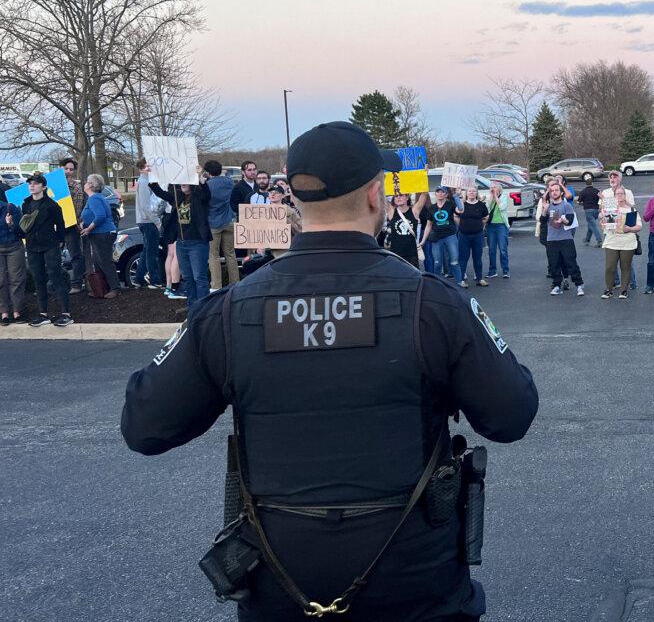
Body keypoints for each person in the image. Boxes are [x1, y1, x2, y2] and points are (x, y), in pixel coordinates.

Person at [121, 120, 538, 622]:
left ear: (295, 198)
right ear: (374, 196)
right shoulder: (435, 304)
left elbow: (145, 425)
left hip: (280, 586)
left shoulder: (228, 312)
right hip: (416, 586)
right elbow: (511, 414)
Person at [150, 174, 212, 305]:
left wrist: (202, 182)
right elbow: (160, 192)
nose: (183, 183)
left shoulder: (199, 197)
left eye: (186, 181)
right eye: (181, 182)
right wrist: (152, 176)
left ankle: (204, 307)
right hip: (181, 243)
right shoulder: (178, 198)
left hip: (197, 243)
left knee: (199, 277)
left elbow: (206, 195)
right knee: (188, 278)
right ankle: (192, 307)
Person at [21, 172, 72, 326]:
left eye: (35, 183)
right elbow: (25, 224)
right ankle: (43, 314)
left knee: (56, 277)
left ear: (43, 187)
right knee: (38, 279)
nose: (31, 185)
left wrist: (60, 240)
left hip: (50, 245)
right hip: (32, 246)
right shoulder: (26, 204)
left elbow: (61, 224)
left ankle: (66, 314)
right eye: (30, 183)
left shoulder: (52, 205)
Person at [79, 174, 122, 298]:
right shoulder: (96, 198)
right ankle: (101, 288)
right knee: (98, 262)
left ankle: (115, 288)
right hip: (100, 234)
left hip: (102, 234)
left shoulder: (94, 199)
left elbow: (100, 216)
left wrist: (88, 228)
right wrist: (83, 223)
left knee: (105, 261)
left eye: (87, 181)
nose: (85, 183)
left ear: (91, 185)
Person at [541, 179, 584, 296]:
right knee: (554, 264)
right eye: (552, 191)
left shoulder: (566, 205)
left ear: (561, 193)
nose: (554, 192)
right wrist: (544, 209)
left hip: (566, 240)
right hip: (551, 240)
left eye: (556, 190)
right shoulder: (548, 206)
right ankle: (556, 285)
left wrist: (563, 220)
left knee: (571, 263)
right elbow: (542, 221)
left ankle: (579, 285)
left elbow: (570, 222)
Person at [205, 160, 240, 291]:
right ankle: (235, 283)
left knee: (213, 256)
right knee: (230, 254)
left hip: (213, 223)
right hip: (229, 220)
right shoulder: (229, 182)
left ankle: (216, 286)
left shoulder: (207, 185)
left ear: (208, 172)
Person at [600, 188, 641, 299]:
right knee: (610, 267)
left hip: (627, 241)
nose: (619, 195)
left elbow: (639, 226)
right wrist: (603, 220)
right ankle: (608, 289)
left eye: (622, 193)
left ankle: (623, 290)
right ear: (614, 196)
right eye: (617, 194)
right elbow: (605, 225)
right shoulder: (610, 208)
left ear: (625, 195)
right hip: (612, 241)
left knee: (625, 267)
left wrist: (631, 229)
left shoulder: (631, 209)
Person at [134, 159, 165, 289]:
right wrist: (158, 222)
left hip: (145, 221)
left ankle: (138, 278)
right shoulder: (144, 182)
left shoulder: (145, 182)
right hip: (148, 221)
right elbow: (147, 206)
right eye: (146, 167)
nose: (149, 168)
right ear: (141, 168)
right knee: (152, 252)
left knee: (147, 250)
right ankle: (154, 280)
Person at [428, 186, 464, 286]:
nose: (440, 193)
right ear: (435, 194)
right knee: (437, 263)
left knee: (454, 261)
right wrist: (422, 240)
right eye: (438, 192)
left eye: (442, 192)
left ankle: (459, 283)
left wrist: (457, 195)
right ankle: (437, 285)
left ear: (446, 194)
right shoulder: (432, 208)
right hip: (436, 238)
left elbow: (460, 210)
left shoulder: (450, 204)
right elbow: (428, 225)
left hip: (450, 236)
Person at [385, 192, 430, 270]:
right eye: (396, 196)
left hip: (411, 254)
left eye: (401, 195)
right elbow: (381, 197)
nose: (398, 197)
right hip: (396, 253)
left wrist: (421, 181)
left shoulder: (414, 211)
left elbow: (424, 195)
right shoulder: (392, 212)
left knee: (413, 279)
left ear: (407, 197)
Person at [0, 193, 27, 324]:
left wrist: (10, 224)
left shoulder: (10, 208)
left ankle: (17, 311)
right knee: (1, 280)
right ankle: (4, 312)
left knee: (16, 279)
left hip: (14, 246)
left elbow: (21, 231)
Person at [61, 158, 86, 293]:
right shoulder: (50, 184)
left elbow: (78, 208)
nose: (68, 172)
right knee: (52, 256)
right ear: (61, 168)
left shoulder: (76, 187)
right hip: (55, 226)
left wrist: (76, 223)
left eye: (71, 169)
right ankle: (54, 284)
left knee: (75, 255)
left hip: (70, 226)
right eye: (66, 169)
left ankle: (76, 284)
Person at [457, 187, 488, 287]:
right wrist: (462, 224)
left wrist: (479, 225)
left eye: (473, 191)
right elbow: (455, 215)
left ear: (476, 193)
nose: (471, 193)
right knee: (463, 258)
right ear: (466, 193)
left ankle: (480, 279)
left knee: (477, 258)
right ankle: (461, 279)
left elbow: (486, 217)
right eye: (469, 191)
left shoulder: (481, 205)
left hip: (478, 235)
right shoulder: (462, 204)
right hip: (464, 235)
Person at [485, 182, 511, 277]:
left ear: (499, 189)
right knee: (491, 249)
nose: (492, 189)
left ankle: (505, 270)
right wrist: (491, 198)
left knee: (503, 249)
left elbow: (502, 207)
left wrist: (496, 196)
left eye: (494, 187)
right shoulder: (489, 197)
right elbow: (486, 210)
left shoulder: (504, 197)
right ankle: (492, 271)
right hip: (491, 225)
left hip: (501, 225)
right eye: (491, 187)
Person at [578, 178, 603, 247]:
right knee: (591, 225)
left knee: (593, 226)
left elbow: (579, 201)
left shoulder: (583, 191)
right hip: (596, 210)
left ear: (586, 184)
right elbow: (601, 199)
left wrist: (583, 203)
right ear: (592, 183)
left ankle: (599, 240)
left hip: (588, 210)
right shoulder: (596, 191)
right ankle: (587, 239)